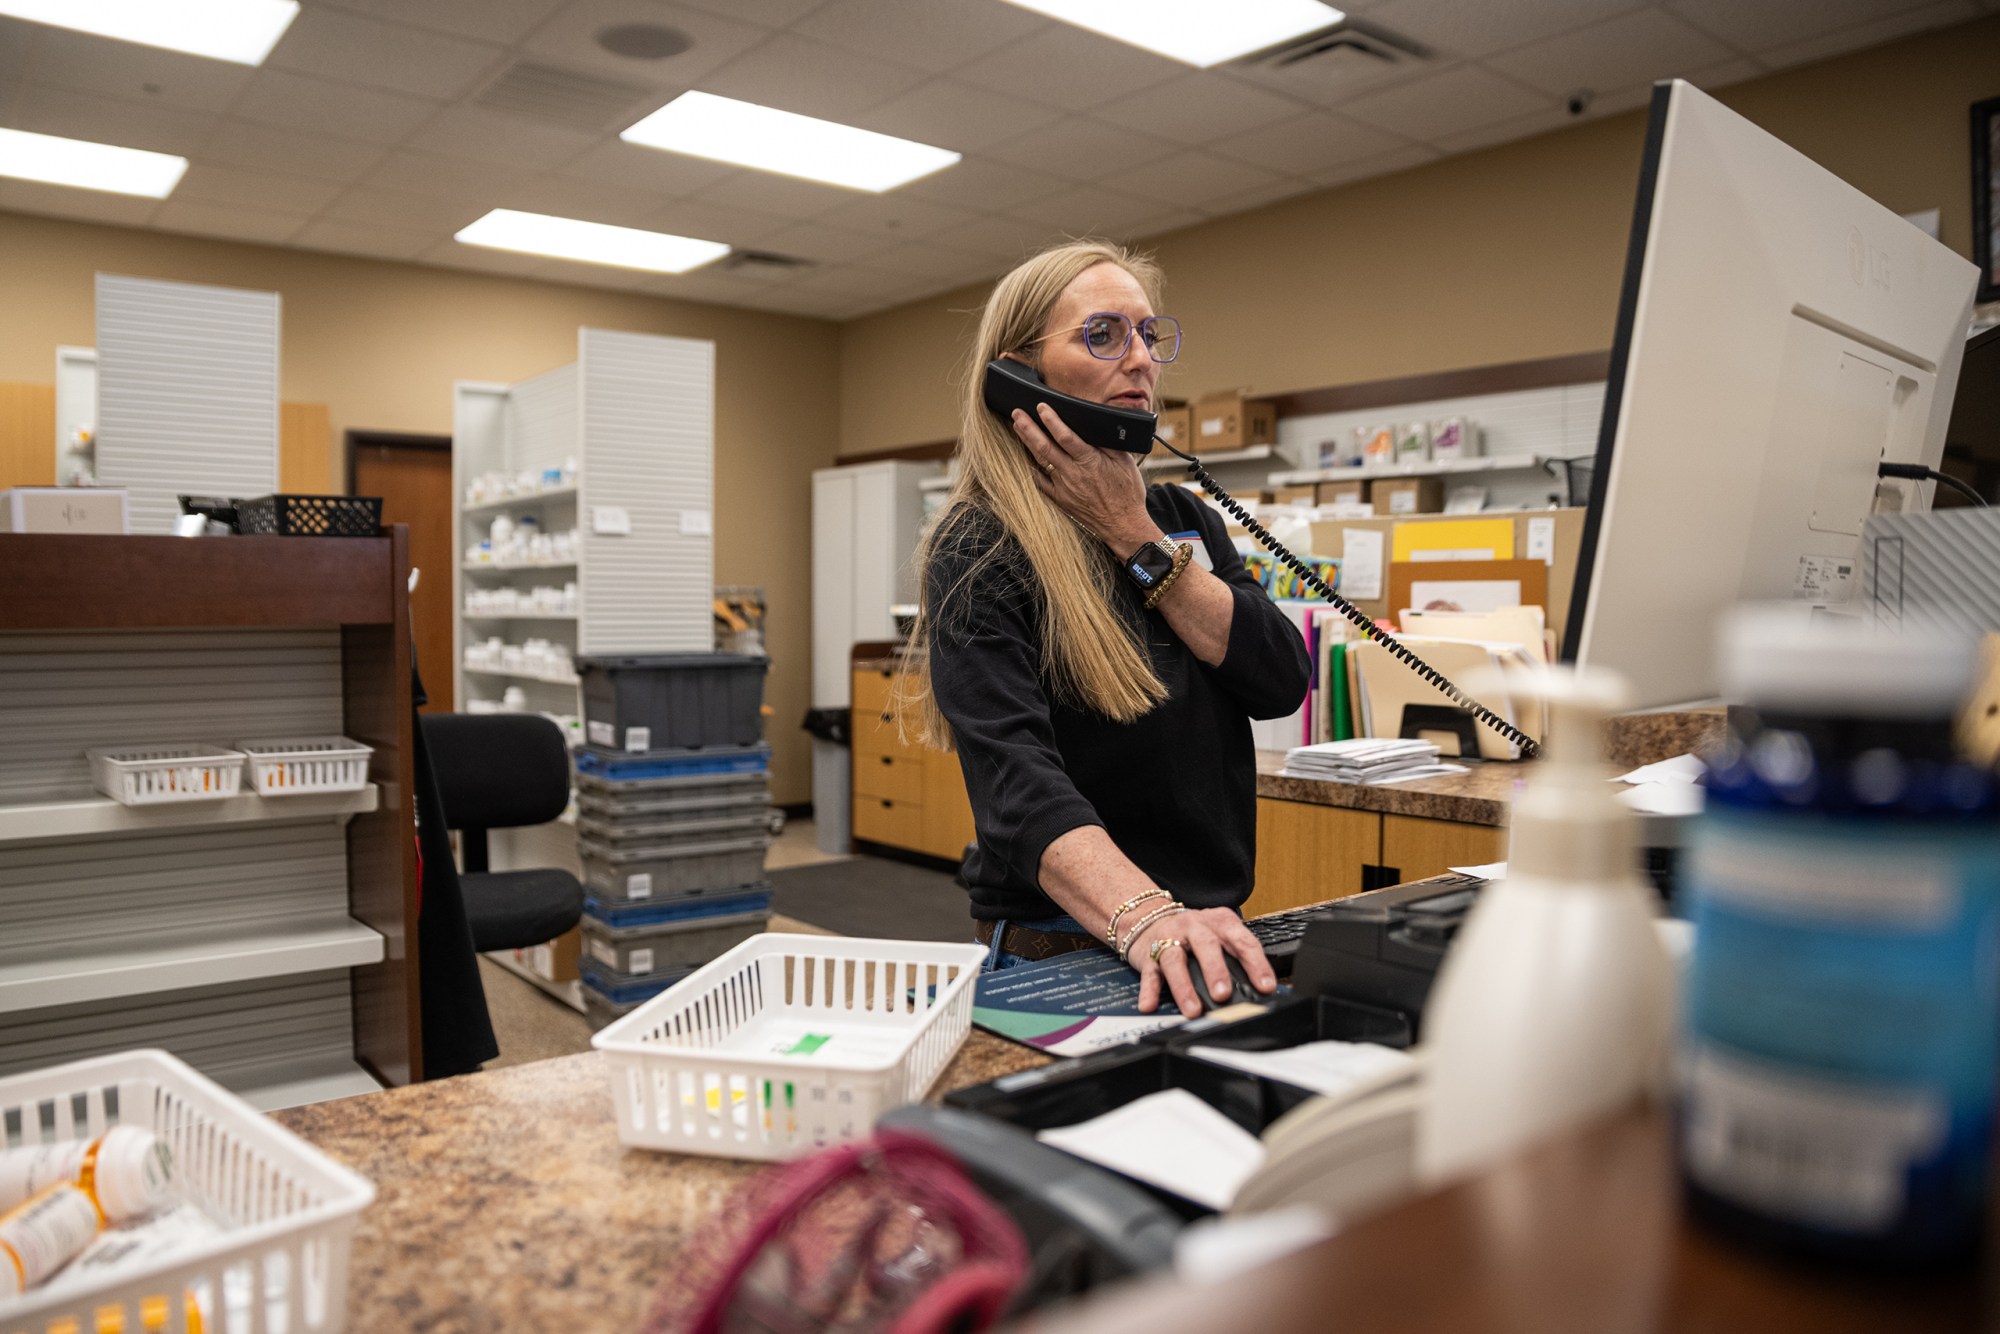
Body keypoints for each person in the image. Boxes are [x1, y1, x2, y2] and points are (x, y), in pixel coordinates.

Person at [899, 240, 1312, 1018]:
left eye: (1149, 335)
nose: (1141, 360)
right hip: (1071, 941)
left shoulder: (1181, 520)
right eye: (1103, 335)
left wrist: (1131, 532)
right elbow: (1018, 783)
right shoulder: (979, 546)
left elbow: (1279, 678)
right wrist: (1149, 918)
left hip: (1194, 933)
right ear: (1018, 374)